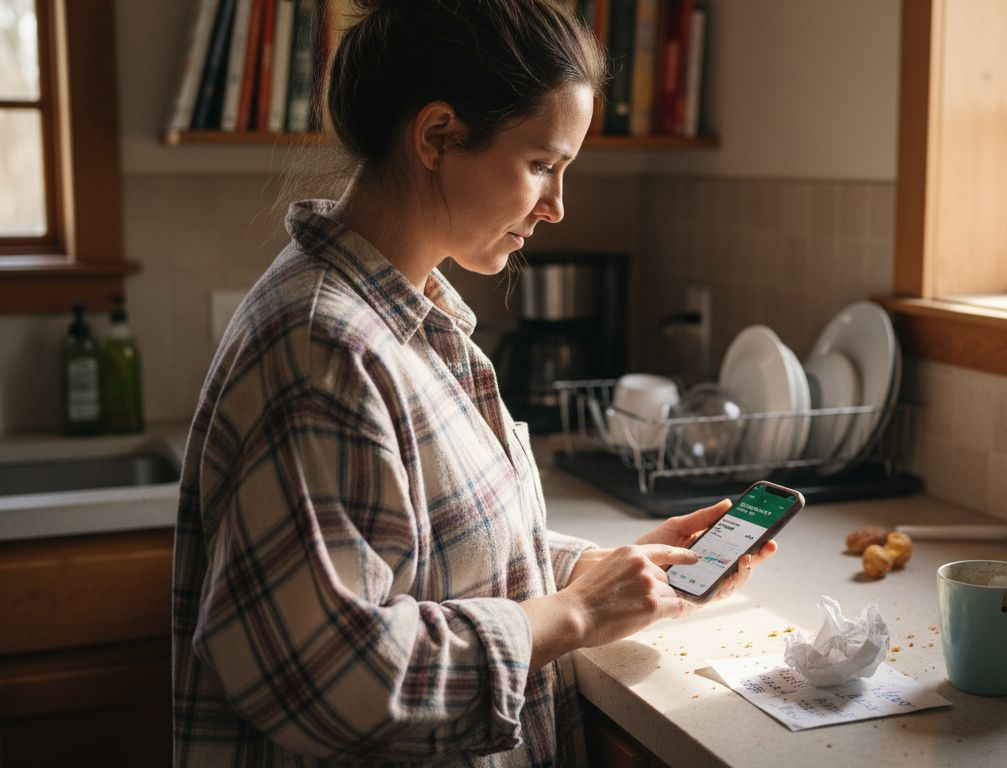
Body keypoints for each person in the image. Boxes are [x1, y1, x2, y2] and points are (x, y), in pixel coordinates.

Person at [170, 0, 776, 764]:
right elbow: (332, 676)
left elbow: (439, 558)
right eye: (541, 165)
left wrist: (592, 573)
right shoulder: (324, 349)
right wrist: (576, 616)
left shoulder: (413, 316)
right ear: (437, 137)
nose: (557, 206)